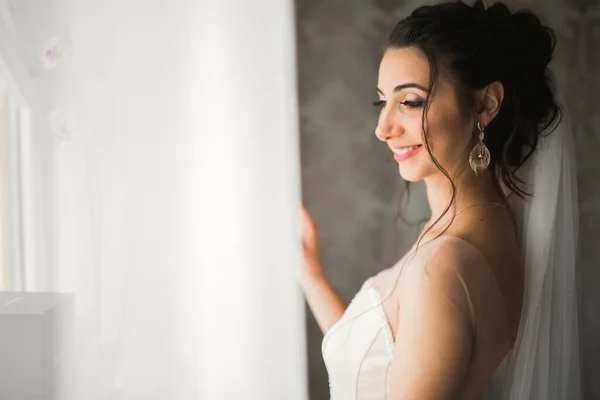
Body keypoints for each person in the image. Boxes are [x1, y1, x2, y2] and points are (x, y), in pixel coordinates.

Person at [300, 1, 581, 399]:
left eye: (410, 102)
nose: (383, 128)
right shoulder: (484, 224)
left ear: (485, 105)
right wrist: (309, 270)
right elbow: (376, 361)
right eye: (383, 101)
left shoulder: (444, 267)